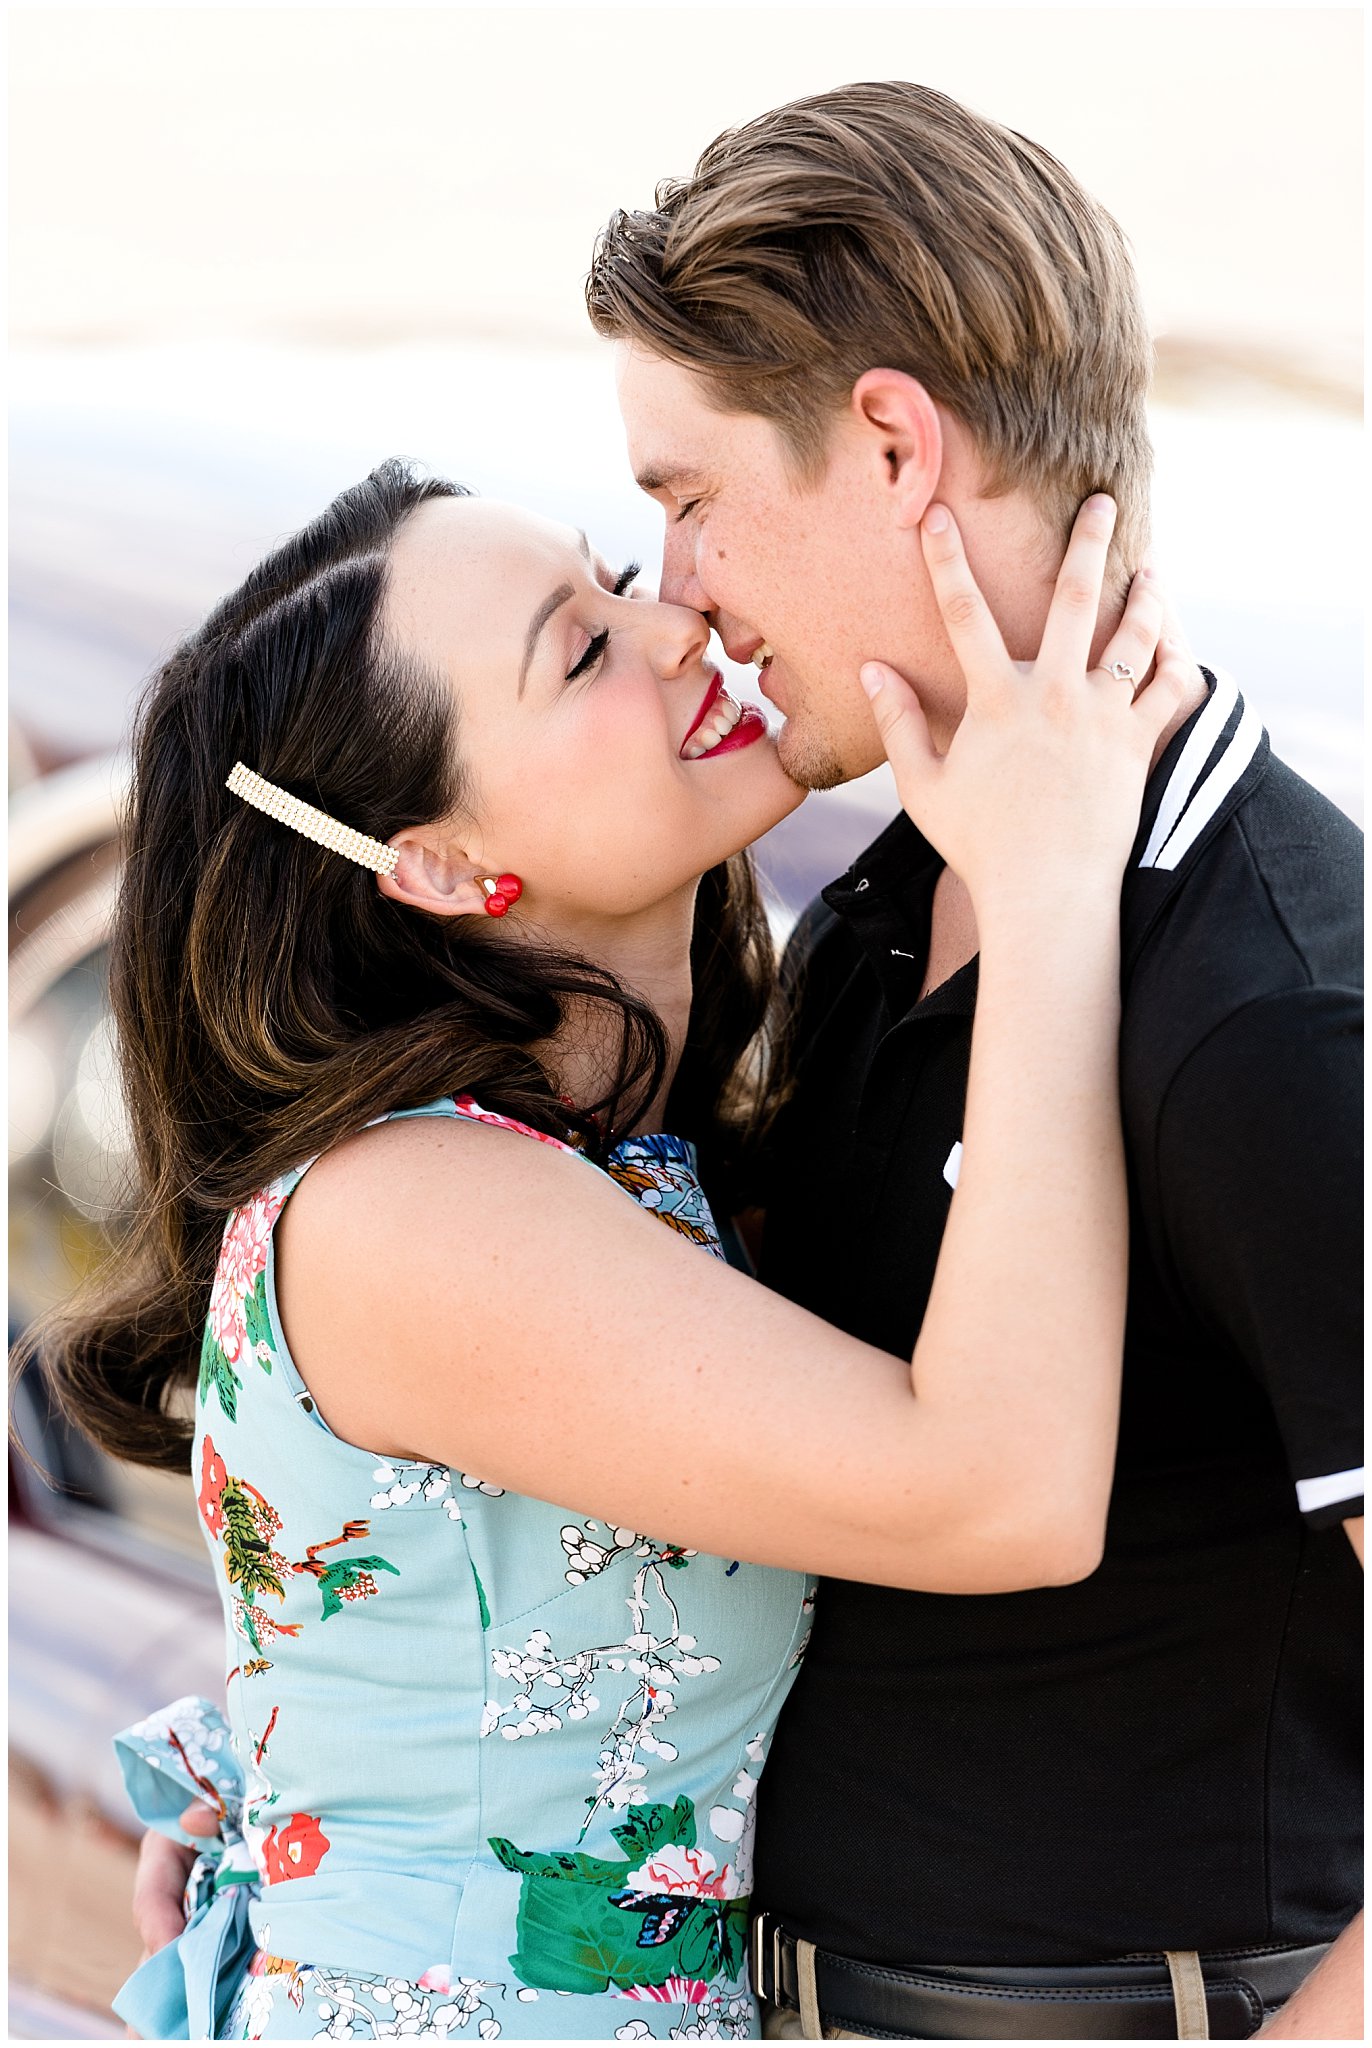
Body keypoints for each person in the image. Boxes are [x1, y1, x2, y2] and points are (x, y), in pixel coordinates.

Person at [39, 461, 1182, 2039]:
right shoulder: (411, 1210)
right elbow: (1002, 1490)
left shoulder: (636, 1173)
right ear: (435, 863)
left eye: (616, 580)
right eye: (577, 651)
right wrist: (1053, 876)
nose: (672, 629)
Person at [582, 79, 1363, 2042]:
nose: (672, 583)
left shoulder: (1274, 1003)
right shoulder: (880, 896)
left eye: (685, 501)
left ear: (886, 440)